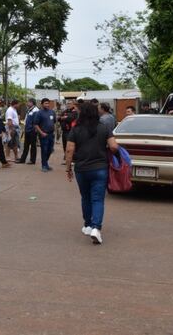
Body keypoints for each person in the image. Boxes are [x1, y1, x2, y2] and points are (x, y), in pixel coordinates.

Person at [65, 101, 119, 245]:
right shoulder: (104, 127)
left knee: (85, 197)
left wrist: (68, 168)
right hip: (100, 169)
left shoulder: (76, 129)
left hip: (81, 169)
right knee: (97, 199)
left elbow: (69, 149)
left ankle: (88, 225)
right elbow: (114, 146)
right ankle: (96, 228)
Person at [34, 98, 56, 172]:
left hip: (51, 134)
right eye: (46, 103)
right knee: (44, 150)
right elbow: (36, 124)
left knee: (50, 150)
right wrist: (41, 133)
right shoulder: (39, 113)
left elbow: (54, 122)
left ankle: (45, 163)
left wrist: (54, 132)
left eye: (48, 103)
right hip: (44, 135)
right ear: (42, 104)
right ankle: (44, 165)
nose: (47, 105)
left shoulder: (52, 112)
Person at [17, 98, 38, 164]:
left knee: (33, 146)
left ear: (32, 103)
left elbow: (35, 122)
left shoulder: (35, 110)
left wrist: (32, 129)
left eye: (28, 102)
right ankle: (23, 159)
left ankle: (32, 160)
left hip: (32, 131)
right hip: (27, 130)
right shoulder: (29, 110)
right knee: (26, 146)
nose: (27, 103)